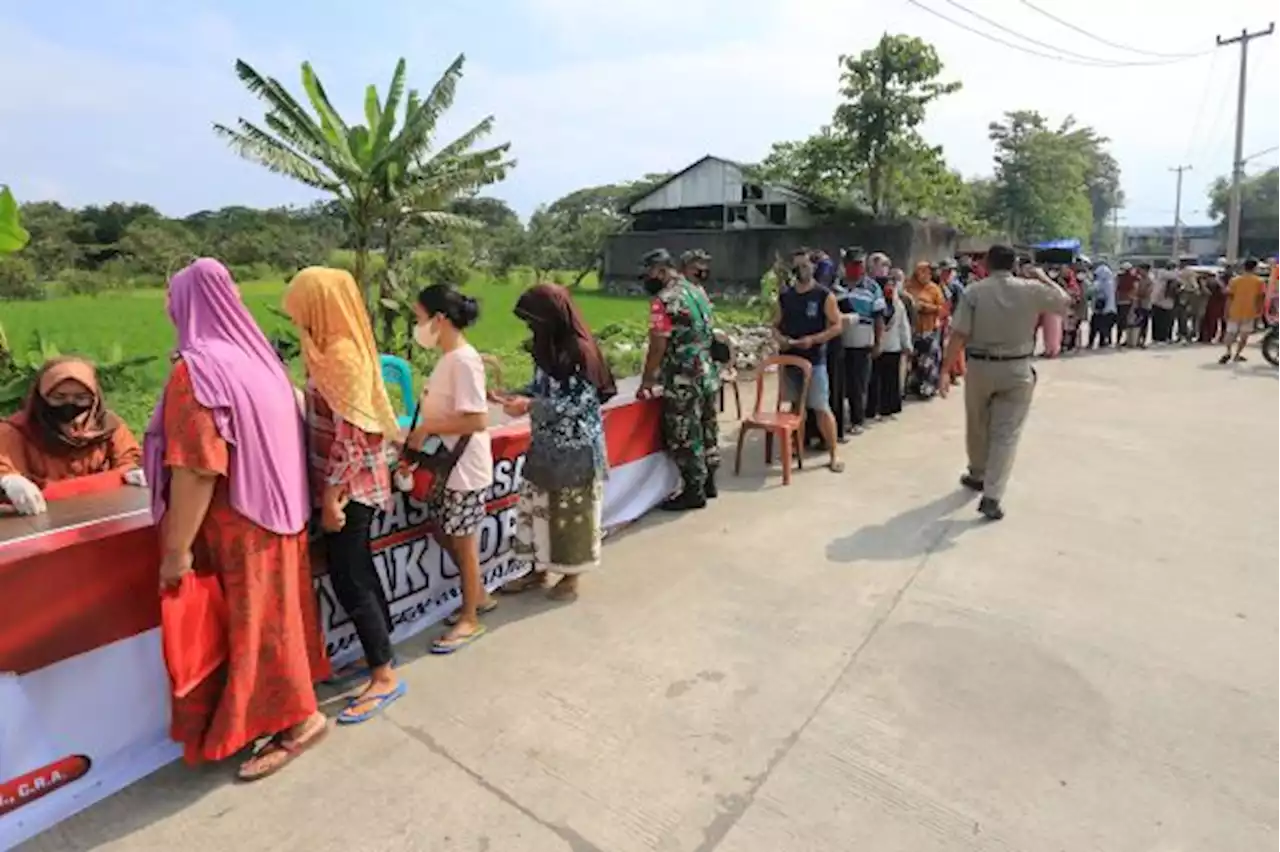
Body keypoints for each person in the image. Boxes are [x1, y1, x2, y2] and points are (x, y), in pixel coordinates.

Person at [143, 258, 328, 781]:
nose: (167, 309)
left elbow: (198, 467)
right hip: (280, 518)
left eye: (170, 299)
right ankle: (291, 714)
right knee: (277, 625)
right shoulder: (263, 362)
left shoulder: (196, 370)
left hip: (235, 527)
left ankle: (300, 722)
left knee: (255, 633)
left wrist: (176, 551)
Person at [283, 267, 405, 724]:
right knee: (360, 570)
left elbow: (351, 439)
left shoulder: (341, 354)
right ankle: (384, 652)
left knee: (349, 579)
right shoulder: (330, 349)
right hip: (346, 484)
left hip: (349, 488)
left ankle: (384, 675)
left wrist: (332, 497)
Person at [500, 284, 615, 601]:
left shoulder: (580, 352)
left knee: (571, 513)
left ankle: (570, 575)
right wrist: (519, 394)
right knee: (538, 507)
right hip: (546, 445)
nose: (531, 328)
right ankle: (536, 571)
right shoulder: (546, 347)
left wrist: (531, 407)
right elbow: (542, 386)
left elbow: (580, 403)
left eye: (534, 321)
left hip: (576, 447)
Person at [940, 245, 1071, 521]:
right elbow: (1064, 301)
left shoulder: (974, 291)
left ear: (987, 263)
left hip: (980, 366)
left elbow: (959, 334)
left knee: (977, 423)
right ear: (1013, 264)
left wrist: (944, 371)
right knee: (1006, 435)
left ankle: (978, 472)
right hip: (1016, 367)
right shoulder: (1031, 289)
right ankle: (992, 495)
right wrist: (1042, 277)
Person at [410, 285, 494, 652]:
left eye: (419, 317)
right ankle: (480, 596)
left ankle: (470, 618)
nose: (418, 325)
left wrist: (427, 429)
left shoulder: (462, 360)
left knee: (462, 542)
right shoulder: (450, 359)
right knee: (446, 532)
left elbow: (477, 420)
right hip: (450, 466)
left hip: (464, 469)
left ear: (439, 320)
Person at [0, 358, 145, 515]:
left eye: (81, 398)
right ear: (41, 399)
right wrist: (8, 480)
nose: (70, 405)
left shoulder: (109, 427)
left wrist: (133, 471)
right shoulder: (17, 431)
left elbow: (130, 459)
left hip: (100, 515)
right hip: (37, 520)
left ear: (95, 400)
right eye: (59, 398)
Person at [638, 248, 720, 510]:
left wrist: (647, 381)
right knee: (708, 426)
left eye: (650, 273)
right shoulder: (696, 291)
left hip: (683, 375)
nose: (648, 279)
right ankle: (710, 482)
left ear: (661, 270)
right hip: (707, 370)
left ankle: (693, 490)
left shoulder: (664, 300)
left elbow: (657, 346)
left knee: (684, 432)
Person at [773, 248, 844, 472]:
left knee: (821, 407)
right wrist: (781, 339)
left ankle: (833, 455)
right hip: (790, 359)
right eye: (797, 267)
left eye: (805, 265)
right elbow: (774, 325)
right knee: (795, 407)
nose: (801, 270)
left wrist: (814, 340)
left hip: (815, 361)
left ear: (813, 266)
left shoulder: (824, 295)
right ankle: (797, 450)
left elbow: (837, 325)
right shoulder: (785, 296)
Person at [832, 247, 885, 437]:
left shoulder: (872, 288)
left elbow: (879, 317)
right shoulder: (837, 285)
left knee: (859, 383)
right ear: (845, 266)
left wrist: (879, 342)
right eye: (852, 264)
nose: (856, 268)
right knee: (839, 383)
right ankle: (839, 421)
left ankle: (857, 419)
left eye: (860, 264)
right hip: (839, 341)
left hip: (863, 341)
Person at [866, 274, 912, 419]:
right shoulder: (874, 303)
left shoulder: (899, 304)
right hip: (875, 347)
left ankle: (889, 408)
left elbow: (903, 326)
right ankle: (871, 409)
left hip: (893, 347)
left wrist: (907, 344)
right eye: (886, 285)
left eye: (892, 285)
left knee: (891, 380)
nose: (889, 288)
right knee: (874, 380)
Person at [904, 261, 947, 399]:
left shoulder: (934, 289)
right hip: (913, 329)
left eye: (927, 272)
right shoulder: (908, 287)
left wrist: (926, 307)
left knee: (928, 360)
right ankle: (912, 386)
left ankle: (927, 388)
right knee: (913, 359)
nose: (925, 275)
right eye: (921, 272)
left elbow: (942, 309)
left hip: (929, 329)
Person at [1219, 259, 1267, 364]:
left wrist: (1226, 311)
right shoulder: (1259, 281)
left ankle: (1228, 352)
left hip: (1234, 310)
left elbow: (1229, 297)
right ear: (1255, 268)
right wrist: (1259, 312)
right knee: (1244, 335)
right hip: (1250, 311)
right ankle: (1237, 355)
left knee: (1230, 333)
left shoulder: (1234, 280)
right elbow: (1261, 298)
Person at [938, 259, 966, 384]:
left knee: (953, 348)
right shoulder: (938, 285)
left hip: (952, 320)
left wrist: (955, 319)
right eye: (945, 271)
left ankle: (953, 374)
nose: (947, 273)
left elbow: (960, 305)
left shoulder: (955, 286)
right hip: (941, 320)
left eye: (949, 271)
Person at [1088, 260, 1118, 349]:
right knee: (1106, 328)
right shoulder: (1112, 282)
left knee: (1095, 327)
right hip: (1111, 309)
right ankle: (1105, 342)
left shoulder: (1100, 282)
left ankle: (1092, 343)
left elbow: (1091, 291)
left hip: (1101, 309)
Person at [1037, 268, 1065, 358]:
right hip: (1047, 310)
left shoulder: (1061, 283)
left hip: (1055, 310)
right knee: (1048, 332)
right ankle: (1049, 350)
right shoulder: (1043, 283)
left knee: (1055, 331)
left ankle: (1053, 350)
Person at [1179, 262, 1208, 345]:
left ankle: (1187, 334)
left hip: (1187, 295)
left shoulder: (1185, 273)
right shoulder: (1191, 274)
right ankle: (1190, 334)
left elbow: (1193, 284)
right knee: (1193, 317)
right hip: (1191, 296)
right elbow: (1195, 285)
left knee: (1185, 316)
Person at [1150, 261, 1177, 344]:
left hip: (1163, 302)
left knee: (1163, 322)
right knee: (1162, 322)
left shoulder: (1161, 275)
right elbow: (1174, 275)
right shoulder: (1164, 274)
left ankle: (1161, 338)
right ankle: (1161, 338)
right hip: (1161, 301)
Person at [1201, 272, 1228, 343]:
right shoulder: (1220, 283)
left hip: (1213, 304)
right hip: (1220, 304)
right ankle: (1222, 337)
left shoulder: (1212, 283)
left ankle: (1208, 337)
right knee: (1221, 322)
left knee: (1211, 321)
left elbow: (1209, 293)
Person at [1115, 262, 1137, 347]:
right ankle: (1128, 340)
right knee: (1127, 322)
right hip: (1128, 302)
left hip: (1120, 302)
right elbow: (1134, 289)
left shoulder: (1118, 277)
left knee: (1120, 322)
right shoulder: (1133, 278)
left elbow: (1116, 289)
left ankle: (1118, 340)